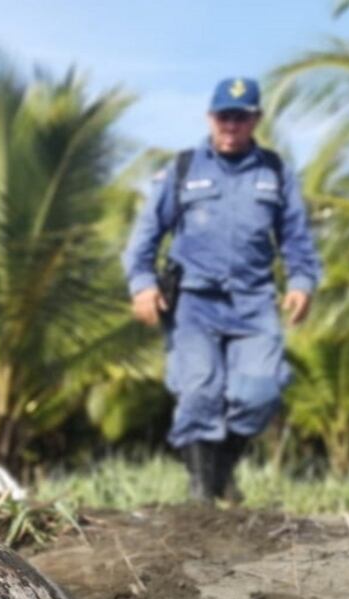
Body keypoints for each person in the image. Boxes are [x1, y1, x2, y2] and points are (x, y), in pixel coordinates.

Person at [122, 77, 321, 503]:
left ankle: (221, 474)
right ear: (210, 117)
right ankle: (201, 495)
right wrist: (142, 285)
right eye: (224, 116)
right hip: (194, 302)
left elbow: (296, 237)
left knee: (259, 393)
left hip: (254, 301)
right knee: (199, 392)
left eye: (241, 117)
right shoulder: (183, 169)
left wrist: (302, 282)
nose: (231, 125)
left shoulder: (275, 172)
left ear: (256, 119)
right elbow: (146, 235)